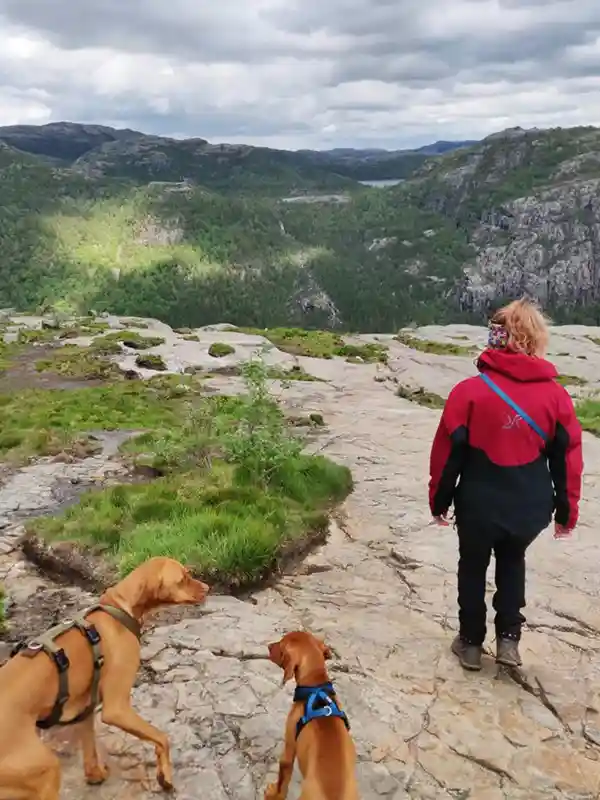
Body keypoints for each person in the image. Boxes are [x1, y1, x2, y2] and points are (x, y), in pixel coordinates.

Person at [428, 299, 583, 671]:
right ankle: (509, 642)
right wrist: (566, 512)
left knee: (472, 566)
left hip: (478, 503)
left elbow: (448, 454)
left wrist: (440, 501)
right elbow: (567, 459)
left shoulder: (469, 391)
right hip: (529, 506)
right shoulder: (556, 396)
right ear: (535, 340)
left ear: (496, 338)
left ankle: (469, 643)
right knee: (513, 561)